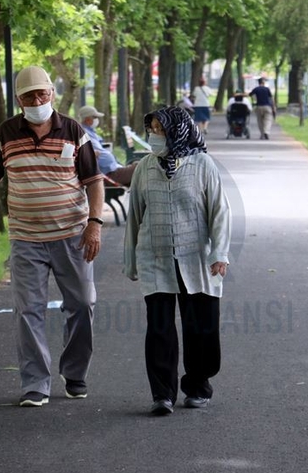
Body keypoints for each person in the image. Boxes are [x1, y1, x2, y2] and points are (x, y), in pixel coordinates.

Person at [0, 66, 104, 408]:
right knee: (28, 310)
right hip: (25, 237)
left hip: (72, 234)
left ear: (51, 95)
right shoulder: (5, 134)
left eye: (42, 94)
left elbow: (94, 181)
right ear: (18, 100)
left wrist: (95, 222)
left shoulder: (73, 131)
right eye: (29, 96)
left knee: (82, 304)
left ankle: (74, 372)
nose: (37, 101)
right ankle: (35, 383)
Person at [123, 106, 231, 416]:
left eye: (159, 129)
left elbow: (220, 212)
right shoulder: (144, 167)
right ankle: (162, 394)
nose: (153, 136)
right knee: (159, 329)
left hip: (197, 261)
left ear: (176, 131)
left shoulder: (203, 166)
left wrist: (219, 254)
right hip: (155, 258)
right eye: (152, 129)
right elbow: (135, 217)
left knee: (201, 329)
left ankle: (198, 385)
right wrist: (130, 260)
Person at [78, 105, 136, 187]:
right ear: (87, 120)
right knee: (141, 167)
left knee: (139, 168)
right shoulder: (84, 133)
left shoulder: (90, 131)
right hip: (108, 174)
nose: (97, 120)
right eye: (95, 117)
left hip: (112, 170)